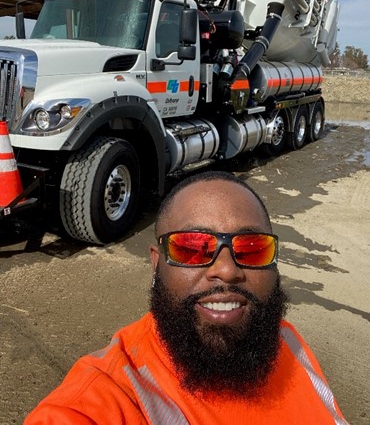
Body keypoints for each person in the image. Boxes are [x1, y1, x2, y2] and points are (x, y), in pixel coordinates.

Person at [25, 171, 348, 424]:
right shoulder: (108, 395)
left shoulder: (286, 340)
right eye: (192, 247)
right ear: (156, 262)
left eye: (251, 248)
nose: (226, 270)